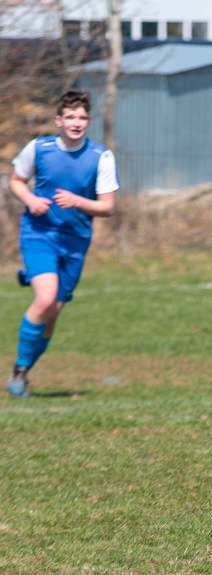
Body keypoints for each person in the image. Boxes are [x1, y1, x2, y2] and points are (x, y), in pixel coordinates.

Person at [6, 90, 119, 398]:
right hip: (39, 234)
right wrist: (30, 199)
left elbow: (107, 207)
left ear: (89, 121)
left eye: (82, 117)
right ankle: (16, 371)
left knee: (52, 311)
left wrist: (78, 201)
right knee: (44, 300)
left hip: (75, 242)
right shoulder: (38, 148)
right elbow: (16, 180)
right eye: (70, 116)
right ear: (58, 120)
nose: (76, 122)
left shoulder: (101, 157)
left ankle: (24, 369)